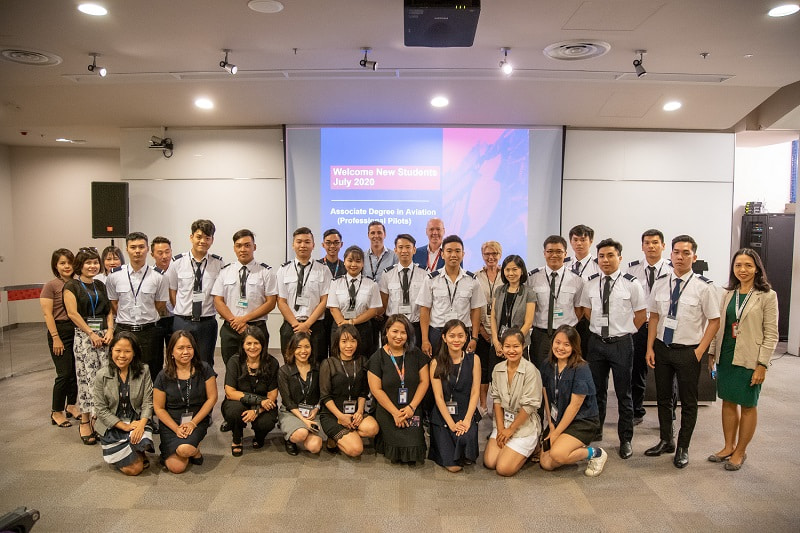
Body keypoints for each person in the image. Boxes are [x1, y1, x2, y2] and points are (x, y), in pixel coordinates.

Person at [645, 235, 720, 468]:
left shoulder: (703, 287)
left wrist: (699, 351)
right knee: (664, 398)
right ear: (671, 255)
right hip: (662, 349)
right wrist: (650, 347)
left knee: (688, 401)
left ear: (694, 257)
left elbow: (714, 321)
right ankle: (666, 440)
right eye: (677, 252)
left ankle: (683, 447)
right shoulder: (660, 282)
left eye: (686, 253)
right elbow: (654, 317)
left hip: (689, 351)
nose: (680, 257)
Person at [707, 248, 778, 471]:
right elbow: (719, 326)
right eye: (738, 265)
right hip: (727, 354)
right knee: (728, 401)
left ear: (757, 268)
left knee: (747, 404)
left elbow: (771, 333)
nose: (743, 270)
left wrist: (763, 364)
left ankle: (740, 451)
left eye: (748, 265)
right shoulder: (728, 293)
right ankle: (728, 446)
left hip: (750, 358)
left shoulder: (767, 295)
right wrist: (711, 352)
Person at [579, 238, 646, 458]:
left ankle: (625, 439)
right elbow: (586, 311)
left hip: (621, 344)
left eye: (610, 255)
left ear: (620, 257)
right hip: (597, 343)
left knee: (623, 393)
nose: (605, 260)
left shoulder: (631, 283)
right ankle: (596, 429)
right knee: (596, 391)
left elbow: (640, 316)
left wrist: (622, 331)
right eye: (601, 256)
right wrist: (601, 329)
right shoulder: (590, 283)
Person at [539, 325, 606, 477]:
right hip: (558, 418)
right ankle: (569, 445)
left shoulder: (581, 368)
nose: (560, 347)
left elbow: (574, 407)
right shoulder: (547, 365)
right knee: (546, 463)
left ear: (574, 347)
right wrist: (550, 424)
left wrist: (556, 433)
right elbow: (547, 397)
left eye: (566, 344)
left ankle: (595, 453)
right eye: (557, 342)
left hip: (582, 421)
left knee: (558, 454)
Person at [64, 247, 114, 445]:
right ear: (80, 265)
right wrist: (91, 333)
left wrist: (110, 330)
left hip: (104, 337)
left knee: (105, 379)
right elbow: (73, 314)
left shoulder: (100, 285)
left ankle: (101, 420)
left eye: (95, 262)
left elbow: (109, 310)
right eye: (88, 263)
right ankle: (85, 420)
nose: (92, 266)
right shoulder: (71, 286)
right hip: (86, 337)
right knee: (87, 378)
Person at [106, 232, 169, 383]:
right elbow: (113, 303)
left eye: (141, 247)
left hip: (149, 332)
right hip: (124, 330)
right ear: (127, 250)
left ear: (148, 249)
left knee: (152, 371)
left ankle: (151, 405)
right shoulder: (115, 276)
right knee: (123, 370)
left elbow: (160, 305)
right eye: (133, 247)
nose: (137, 251)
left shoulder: (159, 276)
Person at [368, 314, 430, 464]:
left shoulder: (416, 354)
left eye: (403, 332)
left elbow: (424, 382)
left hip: (412, 408)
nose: (399, 336)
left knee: (414, 450)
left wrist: (411, 407)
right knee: (395, 454)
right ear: (386, 332)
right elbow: (376, 390)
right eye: (395, 331)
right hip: (388, 409)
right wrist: (395, 413)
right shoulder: (377, 357)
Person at [153, 330, 218, 473]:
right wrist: (176, 428)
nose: (185, 352)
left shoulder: (205, 369)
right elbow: (158, 408)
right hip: (172, 422)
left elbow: (212, 398)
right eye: (180, 348)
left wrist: (193, 423)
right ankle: (189, 451)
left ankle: (191, 449)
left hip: (196, 419)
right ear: (171, 351)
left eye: (189, 347)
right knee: (177, 468)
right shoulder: (163, 376)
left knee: (184, 449)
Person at [625, 229, 671, 425]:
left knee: (668, 372)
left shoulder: (671, 269)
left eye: (655, 242)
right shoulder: (632, 270)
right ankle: (637, 410)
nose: (651, 246)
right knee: (636, 370)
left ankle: (669, 413)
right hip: (640, 327)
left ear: (663, 246)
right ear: (642, 246)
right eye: (647, 243)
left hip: (664, 327)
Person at [212, 229, 277, 366]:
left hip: (257, 327)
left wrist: (244, 319)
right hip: (231, 328)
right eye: (239, 245)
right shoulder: (225, 271)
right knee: (231, 366)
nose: (243, 249)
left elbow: (271, 302)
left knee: (258, 367)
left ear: (254, 247)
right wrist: (235, 321)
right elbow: (218, 300)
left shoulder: (265, 272)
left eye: (247, 245)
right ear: (234, 248)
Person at [483, 328, 543, 477]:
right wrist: (501, 428)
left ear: (523, 346)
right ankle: (512, 450)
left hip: (524, 425)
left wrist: (510, 430)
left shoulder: (531, 371)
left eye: (516, 346)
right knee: (490, 462)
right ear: (502, 347)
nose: (511, 350)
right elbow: (496, 400)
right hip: (504, 423)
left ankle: (533, 446)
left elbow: (529, 407)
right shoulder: (497, 369)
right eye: (507, 346)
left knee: (503, 469)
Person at [93, 332, 154, 476]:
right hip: (113, 425)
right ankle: (127, 452)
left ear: (134, 353)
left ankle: (135, 449)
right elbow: (101, 410)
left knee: (142, 442)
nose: (122, 355)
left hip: (136, 419)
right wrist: (124, 426)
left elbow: (148, 402)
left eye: (127, 351)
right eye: (118, 350)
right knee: (135, 469)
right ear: (111, 350)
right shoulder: (102, 375)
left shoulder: (144, 370)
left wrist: (141, 424)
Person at [417, 235, 486, 357]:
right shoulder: (431, 279)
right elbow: (424, 309)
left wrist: (474, 338)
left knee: (461, 371)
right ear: (442, 254)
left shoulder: (472, 280)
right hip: (437, 333)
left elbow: (476, 310)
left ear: (463, 254)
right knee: (437, 370)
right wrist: (425, 340)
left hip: (462, 335)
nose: (453, 255)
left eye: (457, 251)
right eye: (449, 251)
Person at [168, 219, 225, 368]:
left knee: (205, 363)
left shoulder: (218, 264)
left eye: (207, 238)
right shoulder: (177, 262)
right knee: (180, 361)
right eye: (199, 237)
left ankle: (204, 392)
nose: (202, 241)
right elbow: (172, 290)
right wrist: (181, 310)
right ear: (191, 237)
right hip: (182, 321)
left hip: (207, 322)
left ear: (212, 240)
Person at [428, 319, 481, 472]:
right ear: (444, 338)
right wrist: (451, 424)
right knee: (453, 467)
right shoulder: (436, 363)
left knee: (464, 440)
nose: (456, 340)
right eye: (452, 336)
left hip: (466, 412)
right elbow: (438, 397)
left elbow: (475, 392)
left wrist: (467, 420)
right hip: (443, 415)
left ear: (466, 338)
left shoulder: (474, 360)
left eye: (460, 336)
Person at [319, 324, 379, 457]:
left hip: (354, 412)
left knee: (372, 429)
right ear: (337, 343)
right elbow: (325, 396)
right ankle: (335, 437)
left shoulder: (362, 361)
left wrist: (359, 411)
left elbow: (363, 391)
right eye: (344, 341)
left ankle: (344, 435)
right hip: (333, 415)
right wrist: (341, 417)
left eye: (353, 341)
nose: (349, 345)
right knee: (356, 450)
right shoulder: (328, 364)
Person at [276, 227, 333, 365]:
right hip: (291, 325)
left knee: (317, 365)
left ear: (313, 245)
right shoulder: (283, 270)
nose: (303, 245)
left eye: (307, 242)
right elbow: (281, 301)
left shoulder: (324, 270)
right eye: (299, 242)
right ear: (293, 245)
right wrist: (296, 325)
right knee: (290, 364)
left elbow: (325, 300)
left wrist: (307, 324)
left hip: (315, 326)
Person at [526, 235, 584, 368]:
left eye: (558, 251)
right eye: (550, 251)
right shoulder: (533, 278)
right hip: (541, 334)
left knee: (567, 371)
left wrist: (567, 327)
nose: (554, 255)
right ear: (544, 253)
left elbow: (579, 309)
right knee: (540, 373)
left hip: (567, 334)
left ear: (565, 253)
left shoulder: (576, 279)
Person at [222, 326, 279, 457]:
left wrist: (256, 410)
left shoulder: (272, 363)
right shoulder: (234, 361)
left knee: (266, 422)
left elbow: (272, 396)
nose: (252, 347)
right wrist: (260, 400)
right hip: (238, 402)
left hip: (264, 405)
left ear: (263, 345)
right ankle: (237, 438)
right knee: (234, 411)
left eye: (256, 343)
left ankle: (259, 437)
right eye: (248, 343)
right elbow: (230, 392)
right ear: (242, 345)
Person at [40, 248, 79, 428]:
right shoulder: (51, 286)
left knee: (75, 373)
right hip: (59, 331)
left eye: (69, 262)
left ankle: (71, 405)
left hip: (76, 330)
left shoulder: (77, 283)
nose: (67, 266)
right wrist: (56, 337)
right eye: (62, 263)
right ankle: (56, 411)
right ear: (56, 265)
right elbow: (48, 315)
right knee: (63, 374)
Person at [327, 245, 382, 358]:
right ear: (344, 262)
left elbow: (373, 310)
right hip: (339, 326)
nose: (353, 265)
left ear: (362, 264)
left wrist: (352, 322)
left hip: (363, 328)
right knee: (338, 361)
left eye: (358, 261)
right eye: (350, 260)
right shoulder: (336, 282)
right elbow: (333, 307)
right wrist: (343, 324)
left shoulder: (372, 284)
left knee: (363, 361)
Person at [278, 332, 323, 455]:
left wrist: (316, 409)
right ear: (292, 349)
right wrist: (303, 419)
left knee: (315, 447)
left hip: (313, 412)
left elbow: (323, 393)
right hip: (291, 411)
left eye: (307, 347)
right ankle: (290, 438)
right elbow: (287, 400)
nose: (303, 351)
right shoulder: (284, 371)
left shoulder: (318, 368)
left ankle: (299, 429)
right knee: (301, 434)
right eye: (298, 347)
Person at [379, 234, 426, 349]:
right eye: (400, 247)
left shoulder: (424, 274)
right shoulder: (387, 274)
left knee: (414, 361)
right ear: (395, 250)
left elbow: (426, 304)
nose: (404, 250)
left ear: (414, 250)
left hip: (415, 326)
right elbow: (384, 302)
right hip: (393, 327)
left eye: (408, 247)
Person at [565, 224, 599, 361]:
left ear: (591, 241)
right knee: (566, 357)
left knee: (588, 359)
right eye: (575, 240)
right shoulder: (564, 264)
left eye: (583, 240)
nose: (579, 243)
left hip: (589, 318)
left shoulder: (599, 265)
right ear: (570, 242)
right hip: (567, 316)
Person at [475, 241, 502, 415]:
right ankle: (483, 405)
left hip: (502, 333)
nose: (491, 257)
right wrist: (482, 332)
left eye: (494, 254)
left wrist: (497, 337)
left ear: (500, 255)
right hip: (482, 329)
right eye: (487, 254)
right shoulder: (476, 276)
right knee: (483, 370)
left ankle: (499, 405)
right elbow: (474, 306)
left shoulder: (506, 274)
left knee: (499, 370)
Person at [365, 221, 397, 350]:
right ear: (368, 235)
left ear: (385, 234)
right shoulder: (362, 256)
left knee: (389, 347)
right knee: (369, 348)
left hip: (388, 310)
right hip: (368, 310)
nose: (376, 236)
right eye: (373, 233)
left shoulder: (394, 257)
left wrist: (382, 309)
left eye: (379, 232)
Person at [318, 228, 346, 359]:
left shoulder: (348, 267)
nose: (332, 246)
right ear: (323, 244)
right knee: (321, 351)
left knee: (337, 352)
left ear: (341, 244)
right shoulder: (316, 266)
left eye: (336, 242)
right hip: (320, 314)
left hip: (340, 314)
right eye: (328, 243)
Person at [150, 236, 174, 379]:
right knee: (155, 358)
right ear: (152, 254)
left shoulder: (178, 271)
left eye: (167, 252)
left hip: (175, 319)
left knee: (175, 356)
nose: (164, 256)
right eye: (160, 253)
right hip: (156, 320)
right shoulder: (149, 274)